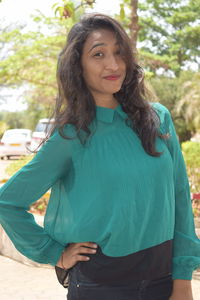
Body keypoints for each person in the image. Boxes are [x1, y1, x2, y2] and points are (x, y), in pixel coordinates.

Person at [0, 13, 199, 300]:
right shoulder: (72, 136)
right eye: (98, 54)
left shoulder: (158, 119)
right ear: (77, 66)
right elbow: (8, 202)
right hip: (101, 286)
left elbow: (180, 198)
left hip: (163, 281)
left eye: (119, 52)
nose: (113, 64)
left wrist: (183, 281)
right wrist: (55, 253)